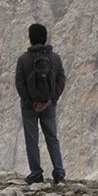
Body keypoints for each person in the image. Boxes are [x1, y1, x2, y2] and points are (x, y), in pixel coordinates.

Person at [14, 22, 68, 185]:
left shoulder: (23, 59)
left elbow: (20, 83)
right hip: (49, 106)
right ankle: (59, 172)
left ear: (30, 38)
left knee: (32, 141)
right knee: (52, 138)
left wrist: (30, 102)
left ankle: (36, 174)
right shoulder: (55, 58)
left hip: (29, 107)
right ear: (45, 38)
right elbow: (61, 80)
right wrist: (51, 100)